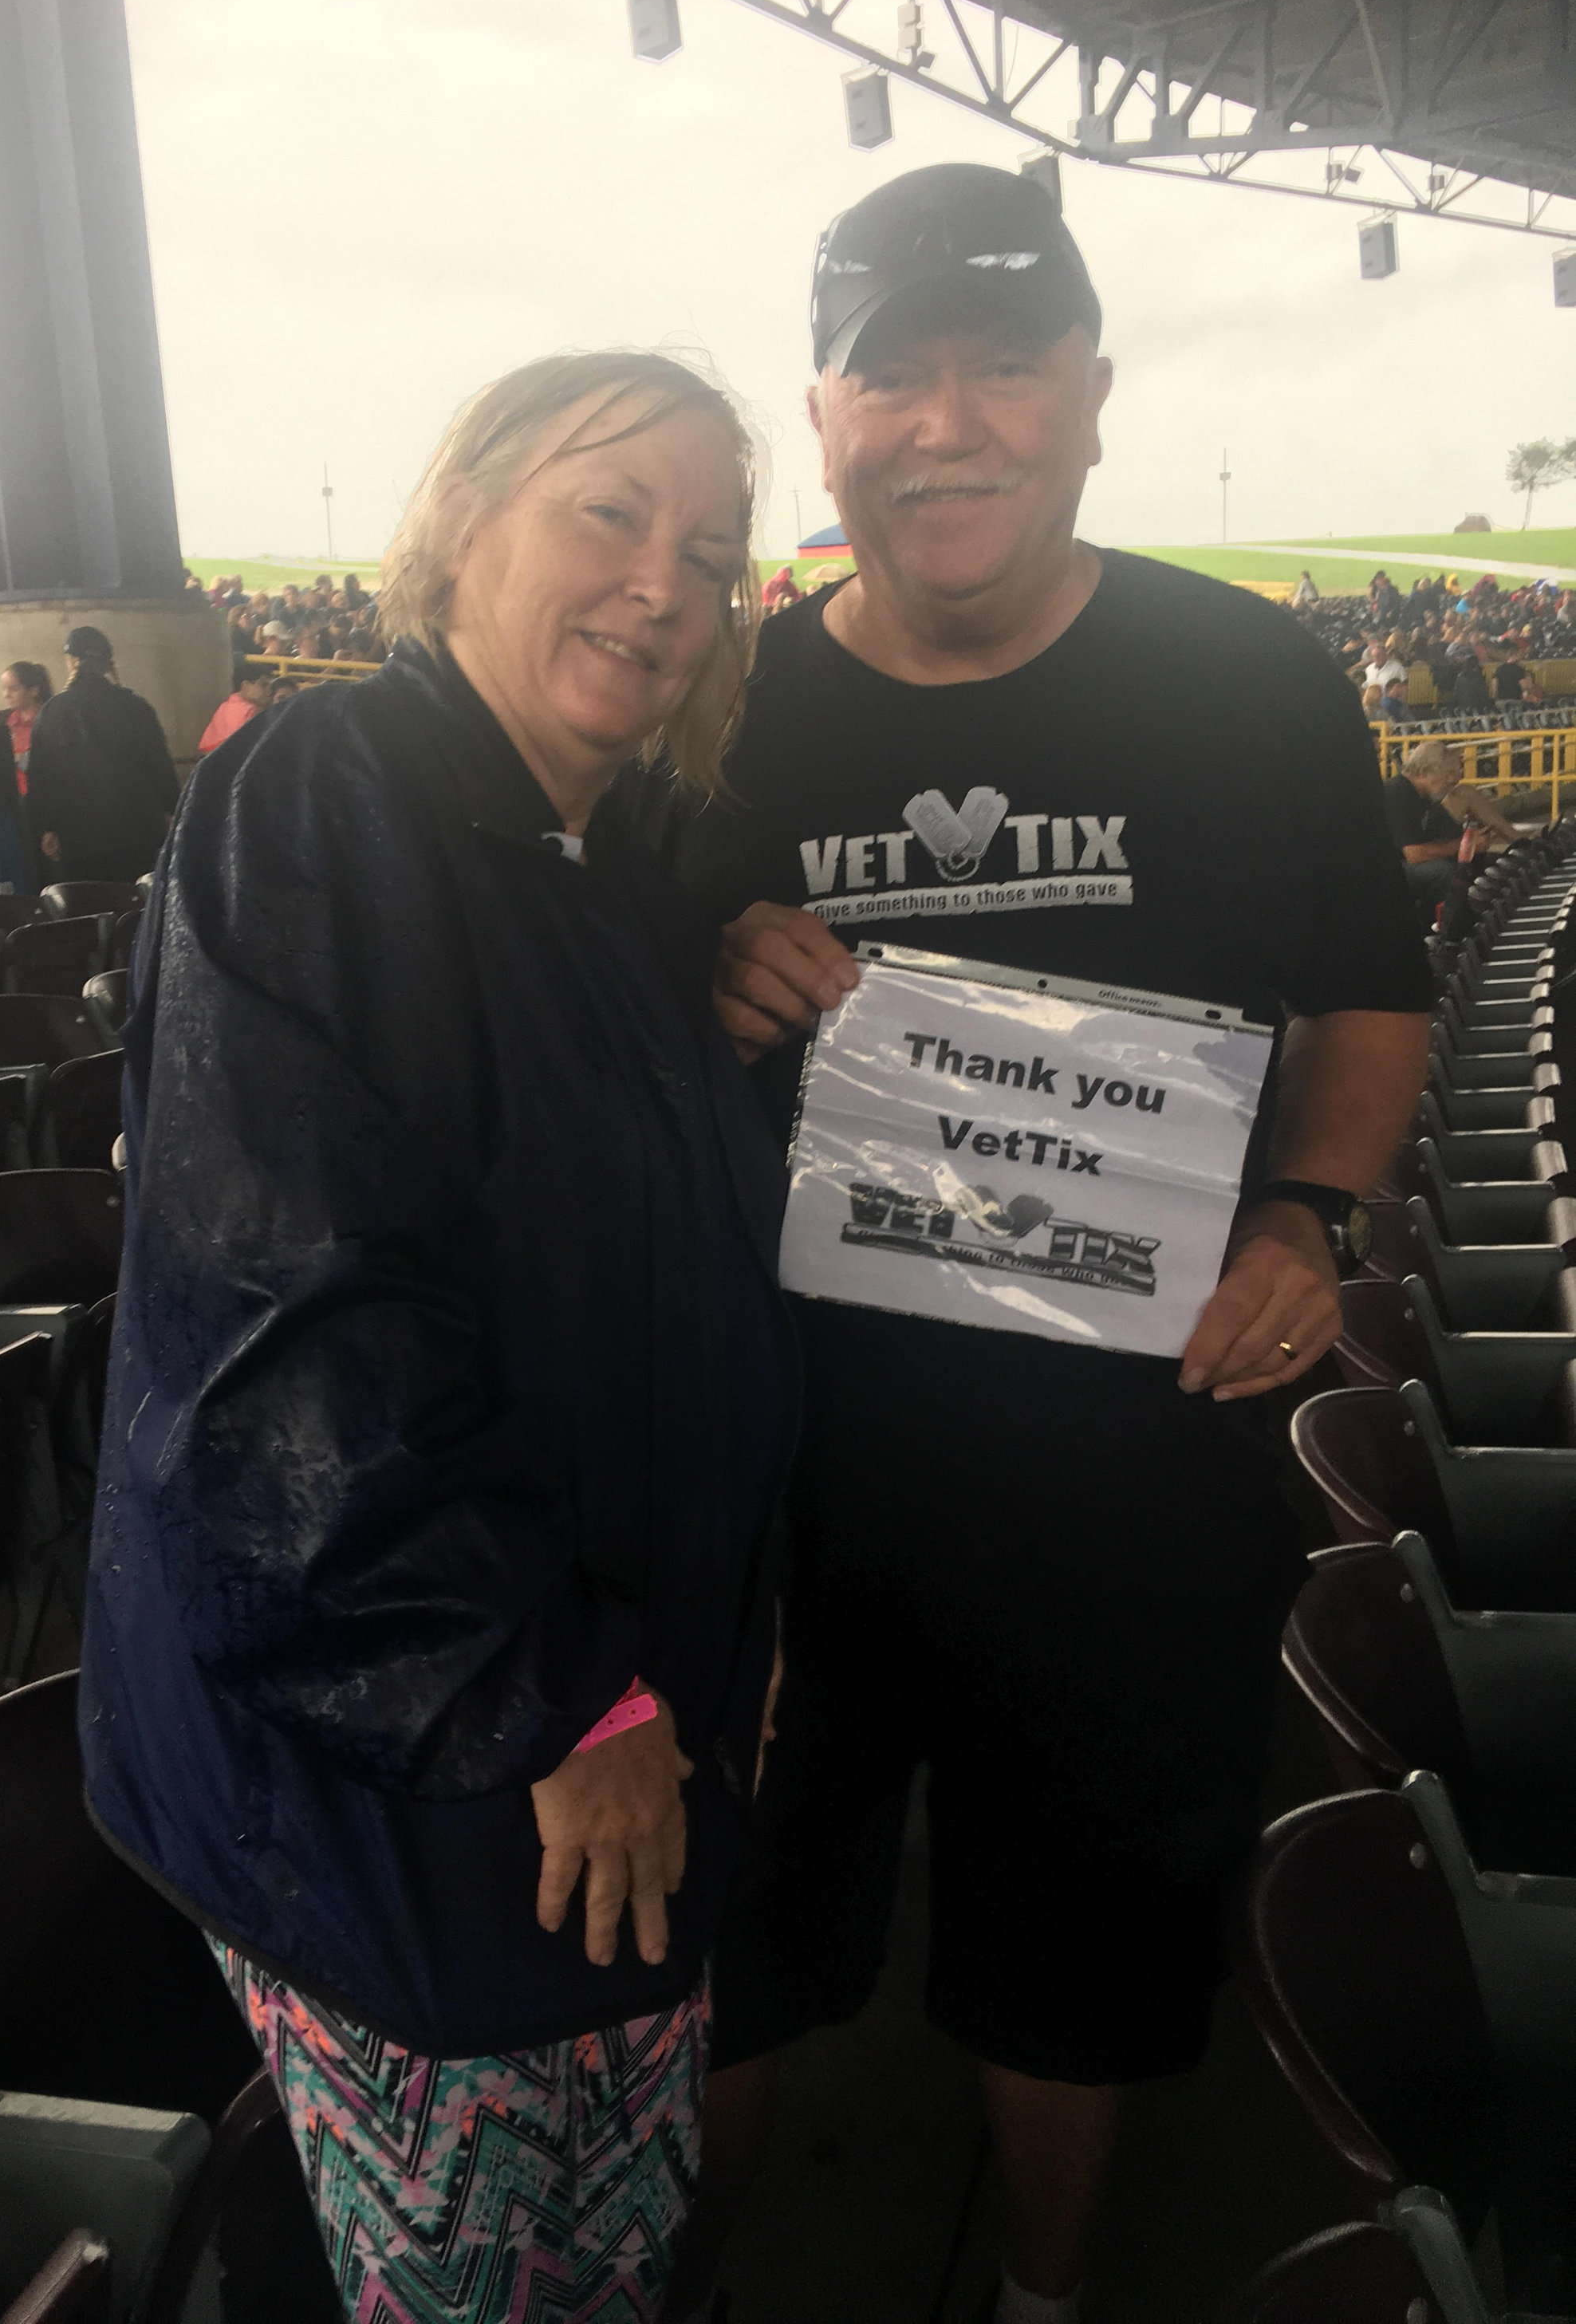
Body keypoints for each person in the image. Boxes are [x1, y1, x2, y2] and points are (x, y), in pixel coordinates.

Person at [640, 163, 1431, 2324]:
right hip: (774, 1489)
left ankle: (1041, 2295)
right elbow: (580, 1051)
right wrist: (697, 978)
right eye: (890, 376)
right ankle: (680, 2291)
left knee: (1075, 1955)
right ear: (823, 420)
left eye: (1000, 367)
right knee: (719, 1937)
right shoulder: (711, 712)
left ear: (1092, 394)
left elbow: (1366, 995)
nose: (945, 422)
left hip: (1128, 1473)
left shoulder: (1249, 678)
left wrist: (1303, 1217)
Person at [78, 350, 798, 2324]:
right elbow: (288, 1328)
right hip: (437, 1769)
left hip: (600, 1728)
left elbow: (612, 1267)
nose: (664, 582)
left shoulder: (601, 862)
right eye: (609, 513)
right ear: (462, 523)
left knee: (606, 2253)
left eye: (709, 553)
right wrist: (551, 1699)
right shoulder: (322, 801)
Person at [25, 625, 178, 881]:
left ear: (71, 661)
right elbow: (159, 765)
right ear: (108, 664)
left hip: (78, 837)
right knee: (137, 898)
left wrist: (45, 828)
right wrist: (170, 809)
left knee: (92, 899)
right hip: (138, 830)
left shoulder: (51, 712)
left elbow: (41, 776)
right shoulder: (135, 706)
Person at [1382, 739, 1471, 921]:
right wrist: (1465, 846)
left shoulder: (1423, 795)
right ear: (1424, 772)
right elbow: (1414, 855)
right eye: (1448, 774)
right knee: (1443, 873)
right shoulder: (1397, 793)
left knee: (1455, 864)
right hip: (1385, 867)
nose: (1454, 780)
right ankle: (1439, 927)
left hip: (1400, 862)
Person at [0, 660, 53, 798]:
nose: (6, 695)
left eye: (13, 689)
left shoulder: (51, 721)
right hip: (6, 797)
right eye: (4, 689)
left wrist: (18, 758)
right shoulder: (0, 721)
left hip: (42, 796)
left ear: (33, 690)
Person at [196, 656, 274, 754]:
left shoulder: (224, 706)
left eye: (270, 687)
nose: (269, 691)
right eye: (264, 685)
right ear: (245, 685)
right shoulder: (250, 710)